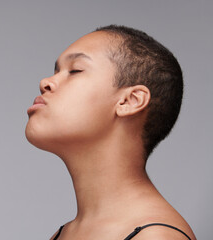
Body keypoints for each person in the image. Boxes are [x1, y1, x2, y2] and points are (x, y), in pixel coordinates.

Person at [25, 25, 196, 240]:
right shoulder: (61, 235)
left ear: (129, 101)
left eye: (75, 70)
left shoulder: (157, 236)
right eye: (56, 71)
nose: (45, 82)